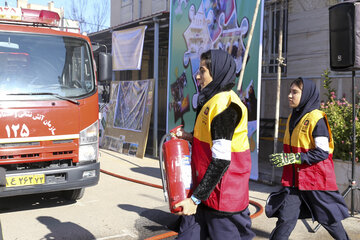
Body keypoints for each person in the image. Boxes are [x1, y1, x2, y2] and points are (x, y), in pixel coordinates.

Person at [174, 49, 255, 240]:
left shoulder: (225, 106)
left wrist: (194, 200)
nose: (197, 76)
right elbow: (212, 140)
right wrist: (188, 136)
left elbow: (221, 161)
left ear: (216, 72)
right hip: (205, 193)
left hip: (222, 199)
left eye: (202, 71)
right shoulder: (212, 101)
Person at [266, 77, 349, 240]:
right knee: (285, 220)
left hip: (314, 182)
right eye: (290, 92)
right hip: (294, 182)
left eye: (295, 92)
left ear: (306, 95)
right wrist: (287, 159)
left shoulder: (316, 118)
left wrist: (293, 158)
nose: (290, 95)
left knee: (330, 221)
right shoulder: (292, 117)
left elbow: (322, 152)